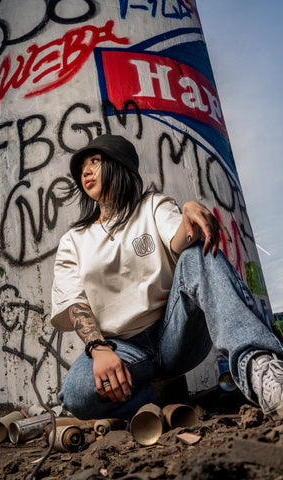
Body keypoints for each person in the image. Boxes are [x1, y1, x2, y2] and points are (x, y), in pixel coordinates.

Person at [51, 134, 283, 421]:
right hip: (121, 348)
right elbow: (75, 304)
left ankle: (262, 371)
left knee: (197, 254)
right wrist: (98, 348)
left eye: (95, 161)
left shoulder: (152, 206)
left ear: (119, 164)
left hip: (175, 333)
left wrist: (188, 211)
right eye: (82, 167)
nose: (85, 171)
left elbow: (181, 240)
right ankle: (157, 399)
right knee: (76, 396)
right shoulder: (73, 240)